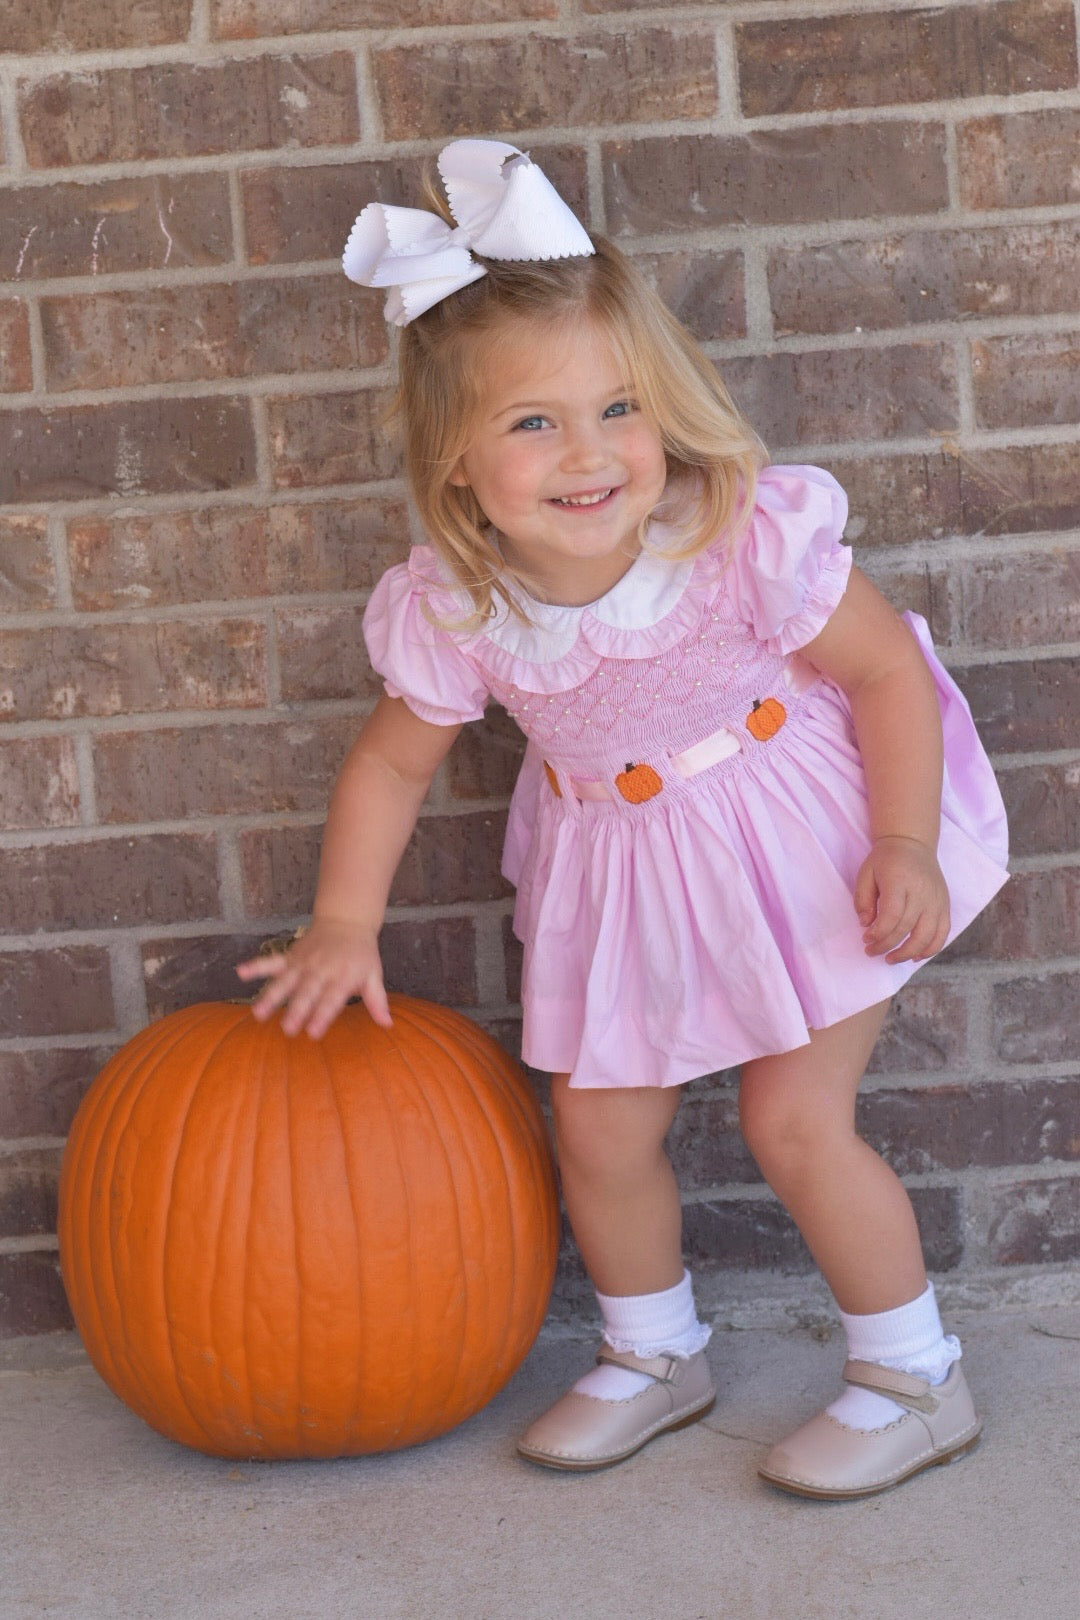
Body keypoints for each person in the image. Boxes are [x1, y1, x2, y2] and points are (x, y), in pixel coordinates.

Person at [237, 139, 1009, 1497]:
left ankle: (912, 1376)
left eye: (617, 408)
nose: (589, 453)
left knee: (794, 1122)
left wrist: (903, 839)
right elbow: (393, 767)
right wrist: (342, 923)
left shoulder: (733, 535)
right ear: (457, 462)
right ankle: (655, 1352)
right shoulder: (459, 607)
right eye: (533, 424)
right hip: (619, 875)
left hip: (801, 848)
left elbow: (886, 671)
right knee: (597, 1134)